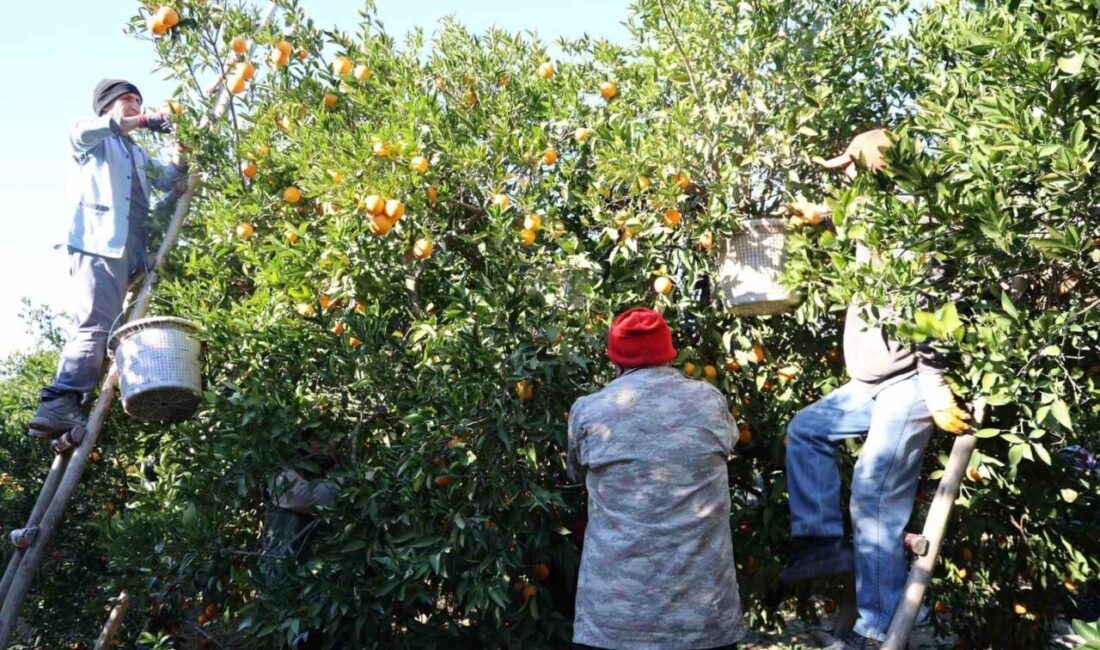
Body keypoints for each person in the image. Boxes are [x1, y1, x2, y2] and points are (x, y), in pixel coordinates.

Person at [781, 130, 971, 649]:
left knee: (873, 492)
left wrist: (935, 387)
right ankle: (822, 543)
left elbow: (936, 311)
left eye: (848, 166)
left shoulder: (921, 224)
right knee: (805, 431)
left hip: (910, 381)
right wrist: (820, 215)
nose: (843, 174)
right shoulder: (872, 212)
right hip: (867, 383)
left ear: (875, 167)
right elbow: (849, 218)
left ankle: (880, 622)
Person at [567, 307, 745, 650]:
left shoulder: (590, 411)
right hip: (704, 621)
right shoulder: (709, 401)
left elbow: (575, 471)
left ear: (614, 358)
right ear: (669, 352)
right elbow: (728, 447)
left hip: (614, 623)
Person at [28, 79, 186, 438]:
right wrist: (145, 120)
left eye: (138, 101)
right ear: (107, 105)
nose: (135, 105)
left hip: (131, 254)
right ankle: (58, 403)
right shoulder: (90, 136)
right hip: (99, 245)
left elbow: (166, 178)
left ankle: (73, 406)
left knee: (114, 331)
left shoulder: (138, 153)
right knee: (96, 324)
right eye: (127, 99)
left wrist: (182, 149)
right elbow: (92, 130)